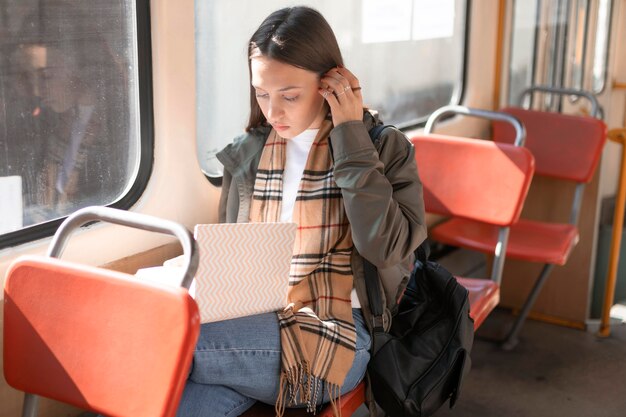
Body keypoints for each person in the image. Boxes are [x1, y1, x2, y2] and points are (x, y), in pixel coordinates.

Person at [177, 6, 426, 417]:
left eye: (289, 96)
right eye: (262, 93)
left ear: (331, 84)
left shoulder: (382, 147)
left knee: (174, 340)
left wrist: (350, 137)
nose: (273, 111)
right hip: (257, 320)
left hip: (341, 332)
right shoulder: (250, 154)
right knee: (174, 405)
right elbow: (234, 260)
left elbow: (385, 248)